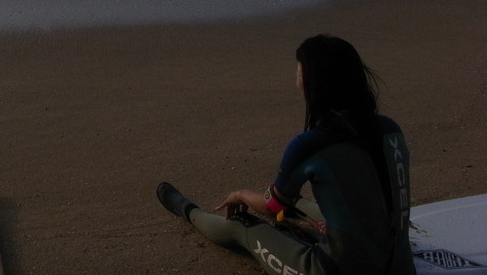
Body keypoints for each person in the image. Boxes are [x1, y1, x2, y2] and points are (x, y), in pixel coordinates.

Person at [156, 34, 415, 275]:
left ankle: (185, 209)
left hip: (333, 271)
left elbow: (271, 208)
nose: (296, 81)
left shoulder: (311, 145)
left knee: (241, 225)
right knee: (312, 206)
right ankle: (297, 204)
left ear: (313, 85)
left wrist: (241, 194)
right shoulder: (391, 130)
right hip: (401, 268)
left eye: (299, 73)